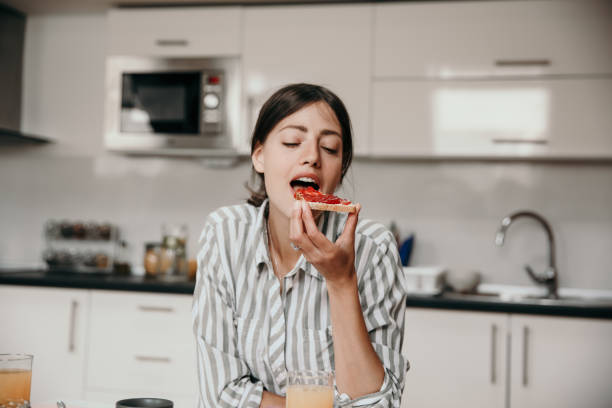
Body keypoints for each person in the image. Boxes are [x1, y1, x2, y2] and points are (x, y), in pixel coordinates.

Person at [192, 83, 409, 408]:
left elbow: (378, 405)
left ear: (340, 170)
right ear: (259, 156)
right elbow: (221, 394)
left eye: (331, 149)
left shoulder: (373, 249)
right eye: (293, 142)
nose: (312, 157)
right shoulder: (225, 234)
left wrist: (340, 281)